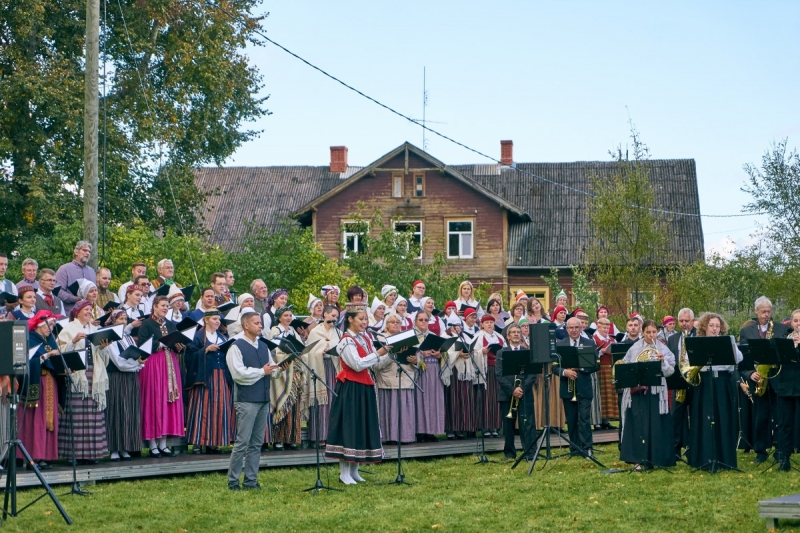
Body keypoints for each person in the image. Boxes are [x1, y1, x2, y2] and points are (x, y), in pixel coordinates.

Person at [325, 303, 391, 485]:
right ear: (350, 319)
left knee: (361, 425)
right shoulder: (346, 340)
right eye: (361, 319)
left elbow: (375, 364)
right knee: (349, 426)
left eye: (366, 319)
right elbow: (357, 364)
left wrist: (390, 354)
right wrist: (379, 352)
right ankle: (343, 472)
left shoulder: (366, 338)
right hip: (350, 388)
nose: (364, 322)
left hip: (365, 386)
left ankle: (354, 470)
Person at [226, 311, 282, 490]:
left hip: (263, 398)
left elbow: (269, 370)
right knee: (242, 442)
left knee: (256, 443)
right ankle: (233, 481)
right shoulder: (236, 346)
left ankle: (250, 480)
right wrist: (261, 372)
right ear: (246, 325)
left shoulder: (263, 346)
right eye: (257, 323)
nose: (260, 326)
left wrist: (279, 369)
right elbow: (238, 374)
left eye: (260, 323)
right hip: (246, 400)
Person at [686, 312, 743, 471]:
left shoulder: (728, 340)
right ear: (704, 326)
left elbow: (739, 358)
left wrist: (731, 346)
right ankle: (704, 457)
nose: (715, 329)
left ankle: (724, 458)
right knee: (705, 418)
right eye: (711, 325)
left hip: (723, 382)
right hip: (704, 382)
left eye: (717, 326)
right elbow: (688, 360)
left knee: (723, 417)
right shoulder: (697, 342)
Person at [56, 299, 109, 464]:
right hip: (78, 375)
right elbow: (59, 353)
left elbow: (103, 358)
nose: (88, 312)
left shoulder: (95, 329)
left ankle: (92, 454)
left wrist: (102, 347)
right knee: (76, 416)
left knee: (93, 414)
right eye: (85, 309)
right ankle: (74, 455)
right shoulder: (68, 329)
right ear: (77, 312)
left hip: (94, 374)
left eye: (90, 309)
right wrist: (73, 341)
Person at [619, 319, 676, 470]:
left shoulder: (663, 348)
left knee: (656, 424)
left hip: (657, 393)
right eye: (648, 332)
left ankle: (657, 458)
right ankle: (638, 459)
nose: (651, 335)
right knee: (639, 425)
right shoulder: (634, 348)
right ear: (642, 332)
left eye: (654, 332)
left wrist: (663, 362)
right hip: (639, 393)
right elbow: (625, 366)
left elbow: (670, 371)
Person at [740, 296, 788, 463]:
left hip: (776, 378)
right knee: (760, 417)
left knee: (779, 416)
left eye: (769, 311)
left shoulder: (781, 329)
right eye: (763, 312)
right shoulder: (747, 331)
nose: (767, 315)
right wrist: (750, 373)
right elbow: (744, 359)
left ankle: (779, 449)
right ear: (756, 312)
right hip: (758, 378)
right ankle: (760, 450)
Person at [137, 295, 186, 457]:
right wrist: (161, 344)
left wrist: (179, 346)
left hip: (170, 363)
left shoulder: (171, 324)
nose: (165, 308)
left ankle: (163, 443)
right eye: (163, 305)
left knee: (168, 401)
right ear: (155, 307)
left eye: (167, 306)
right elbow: (143, 344)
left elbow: (176, 342)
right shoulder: (147, 324)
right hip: (154, 364)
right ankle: (152, 444)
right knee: (154, 401)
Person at [185, 310, 235, 454]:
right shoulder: (198, 336)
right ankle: (197, 442)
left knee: (219, 408)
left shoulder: (222, 337)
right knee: (202, 408)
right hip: (204, 377)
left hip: (222, 376)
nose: (217, 322)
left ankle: (214, 442)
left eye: (219, 319)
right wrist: (205, 350)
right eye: (214, 319)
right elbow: (189, 356)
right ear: (206, 320)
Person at [20, 310, 64, 470]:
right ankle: (33, 456)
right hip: (37, 382)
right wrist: (46, 356)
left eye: (53, 325)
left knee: (49, 420)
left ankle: (46, 456)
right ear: (39, 324)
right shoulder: (30, 338)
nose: (51, 328)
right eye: (49, 325)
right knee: (36, 420)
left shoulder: (50, 339)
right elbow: (26, 360)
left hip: (50, 382)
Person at [102, 308, 144, 461]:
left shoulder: (128, 337)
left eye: (125, 319)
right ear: (113, 321)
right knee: (116, 411)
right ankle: (114, 448)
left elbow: (135, 357)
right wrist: (136, 364)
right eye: (120, 319)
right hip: (116, 378)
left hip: (130, 378)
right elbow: (118, 362)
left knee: (129, 412)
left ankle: (126, 446)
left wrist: (138, 363)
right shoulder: (110, 338)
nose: (123, 321)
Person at [555, 317, 598, 457]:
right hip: (567, 387)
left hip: (584, 387)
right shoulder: (560, 344)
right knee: (571, 419)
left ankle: (587, 448)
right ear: (566, 329)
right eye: (570, 328)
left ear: (581, 328)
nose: (573, 330)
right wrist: (565, 372)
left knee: (584, 418)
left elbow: (596, 364)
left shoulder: (589, 343)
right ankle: (574, 448)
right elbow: (554, 367)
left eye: (576, 327)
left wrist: (582, 368)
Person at [374, 314, 418, 444]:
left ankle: (406, 437)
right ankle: (389, 437)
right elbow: (377, 364)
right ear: (386, 324)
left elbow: (418, 357)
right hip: (388, 378)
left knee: (405, 408)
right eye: (392, 322)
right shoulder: (380, 338)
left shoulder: (407, 337)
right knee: (390, 410)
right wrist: (394, 353)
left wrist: (415, 360)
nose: (395, 324)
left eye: (398, 322)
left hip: (405, 377)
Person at [496, 324, 536, 460]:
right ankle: (509, 453)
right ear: (508, 336)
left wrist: (522, 389)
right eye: (513, 332)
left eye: (518, 332)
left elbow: (532, 375)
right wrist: (512, 390)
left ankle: (529, 453)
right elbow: (499, 374)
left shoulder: (527, 352)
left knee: (528, 424)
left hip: (525, 394)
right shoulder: (501, 353)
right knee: (508, 425)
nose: (516, 334)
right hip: (507, 394)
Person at [304, 305, 342, 445]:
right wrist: (321, 351)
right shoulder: (315, 331)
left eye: (337, 317)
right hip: (319, 369)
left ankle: (333, 436)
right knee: (321, 402)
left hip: (334, 369)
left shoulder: (338, 332)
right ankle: (319, 436)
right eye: (332, 315)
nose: (335, 319)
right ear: (325, 315)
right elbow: (309, 352)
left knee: (333, 402)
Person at [269, 306, 305, 450]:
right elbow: (274, 350)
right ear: (279, 317)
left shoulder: (293, 331)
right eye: (285, 315)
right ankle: (278, 439)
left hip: (294, 373)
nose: (289, 318)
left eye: (290, 315)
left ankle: (290, 438)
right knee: (282, 404)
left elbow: (300, 348)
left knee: (293, 406)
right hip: (283, 373)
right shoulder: (275, 330)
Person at [772, 309, 800, 471]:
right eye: (796, 321)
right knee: (784, 423)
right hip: (786, 386)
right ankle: (784, 458)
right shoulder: (784, 339)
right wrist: (791, 346)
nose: (798, 324)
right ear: (791, 323)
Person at [412, 310, 445, 442]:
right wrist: (421, 354)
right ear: (415, 321)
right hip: (419, 371)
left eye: (426, 320)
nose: (424, 322)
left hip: (434, 369)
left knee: (433, 400)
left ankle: (431, 431)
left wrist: (439, 355)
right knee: (420, 400)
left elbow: (443, 353)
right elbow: (408, 354)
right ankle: (420, 431)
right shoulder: (412, 336)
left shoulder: (433, 335)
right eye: (421, 320)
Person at [668, 308, 696, 459]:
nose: (684, 324)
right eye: (681, 321)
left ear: (692, 321)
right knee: (676, 417)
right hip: (679, 381)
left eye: (687, 321)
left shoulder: (699, 335)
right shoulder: (672, 339)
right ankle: (675, 450)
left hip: (695, 382)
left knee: (695, 416)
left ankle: (693, 448)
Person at [443, 314, 475, 440]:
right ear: (450, 327)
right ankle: (451, 428)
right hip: (453, 373)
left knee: (463, 400)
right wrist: (458, 354)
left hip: (465, 373)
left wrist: (470, 351)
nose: (458, 328)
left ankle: (461, 427)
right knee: (453, 400)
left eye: (459, 325)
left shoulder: (465, 336)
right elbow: (445, 353)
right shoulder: (445, 337)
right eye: (455, 326)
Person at [472, 314, 504, 438]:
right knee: (486, 398)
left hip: (498, 369)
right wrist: (482, 352)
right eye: (487, 322)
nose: (489, 324)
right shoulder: (478, 337)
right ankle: (485, 426)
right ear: (482, 325)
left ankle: (495, 426)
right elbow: (473, 353)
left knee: (497, 397)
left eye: (491, 322)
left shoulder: (499, 337)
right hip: (486, 370)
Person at [54, 241, 96, 314]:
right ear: (76, 252)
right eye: (84, 250)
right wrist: (75, 299)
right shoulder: (64, 269)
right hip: (70, 314)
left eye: (89, 251)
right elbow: (58, 291)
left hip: (89, 315)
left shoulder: (92, 271)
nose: (88, 253)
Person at [593, 318, 617, 429]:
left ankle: (606, 421)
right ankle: (598, 421)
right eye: (603, 327)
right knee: (600, 395)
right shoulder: (594, 338)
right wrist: (600, 352)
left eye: (607, 328)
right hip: (599, 369)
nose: (606, 330)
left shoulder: (611, 339)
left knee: (609, 395)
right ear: (598, 327)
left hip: (609, 368)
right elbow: (592, 354)